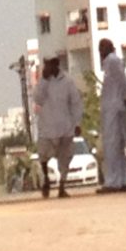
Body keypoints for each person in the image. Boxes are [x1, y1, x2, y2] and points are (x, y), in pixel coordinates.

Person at [34, 55, 81, 199]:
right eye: (46, 64)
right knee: (43, 155)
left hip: (65, 127)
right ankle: (46, 179)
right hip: (47, 127)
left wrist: (77, 123)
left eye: (50, 64)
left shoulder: (67, 81)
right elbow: (37, 99)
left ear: (56, 65)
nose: (47, 67)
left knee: (65, 159)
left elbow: (75, 103)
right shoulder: (42, 82)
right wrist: (43, 80)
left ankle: (62, 186)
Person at [97, 38, 126, 192]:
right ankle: (122, 180)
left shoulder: (112, 61)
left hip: (115, 108)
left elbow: (123, 81)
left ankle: (113, 182)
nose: (100, 52)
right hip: (114, 108)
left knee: (111, 146)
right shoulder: (109, 64)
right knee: (117, 146)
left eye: (102, 48)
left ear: (109, 48)